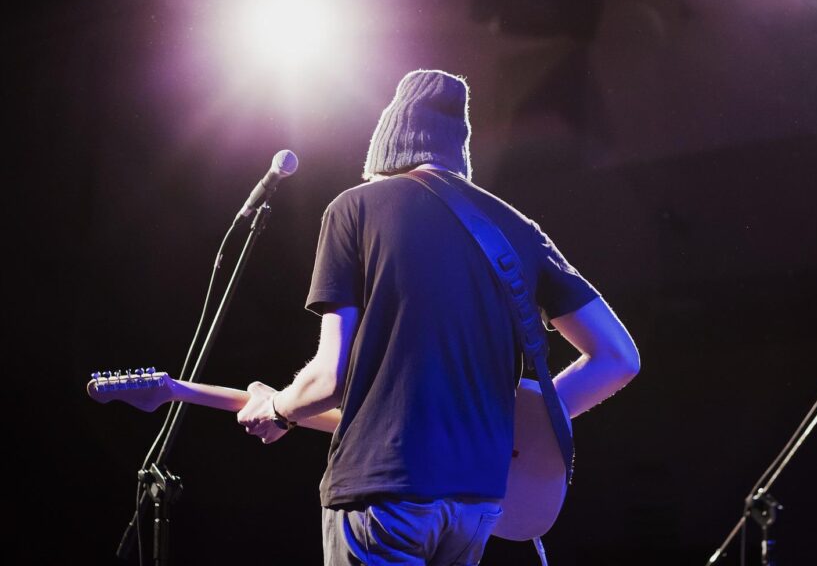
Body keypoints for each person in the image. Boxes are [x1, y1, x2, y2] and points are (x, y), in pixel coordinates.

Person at [237, 69, 640, 566]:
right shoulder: (516, 227)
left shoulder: (354, 208)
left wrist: (276, 409)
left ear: (387, 148)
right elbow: (619, 358)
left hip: (383, 494)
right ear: (457, 153)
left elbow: (328, 379)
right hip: (476, 502)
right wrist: (516, 420)